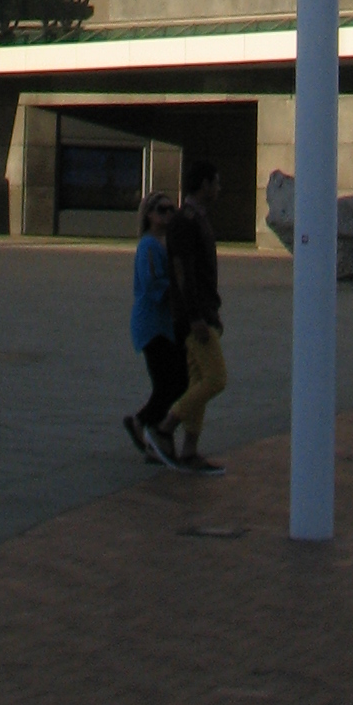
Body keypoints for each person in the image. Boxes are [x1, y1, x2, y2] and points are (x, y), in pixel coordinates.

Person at [164, 156, 228, 475]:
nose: (219, 188)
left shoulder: (197, 218)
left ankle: (189, 450)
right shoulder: (185, 221)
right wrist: (196, 317)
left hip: (203, 311)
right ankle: (165, 427)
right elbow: (182, 273)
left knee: (199, 380)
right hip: (193, 317)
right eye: (216, 182)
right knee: (216, 378)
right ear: (204, 184)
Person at [124, 192, 184, 465]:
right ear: (149, 215)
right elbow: (152, 284)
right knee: (170, 382)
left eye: (172, 209)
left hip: (165, 324)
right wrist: (179, 291)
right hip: (152, 325)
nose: (168, 214)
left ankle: (154, 435)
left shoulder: (165, 243)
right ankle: (143, 424)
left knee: (174, 381)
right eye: (162, 210)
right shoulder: (149, 246)